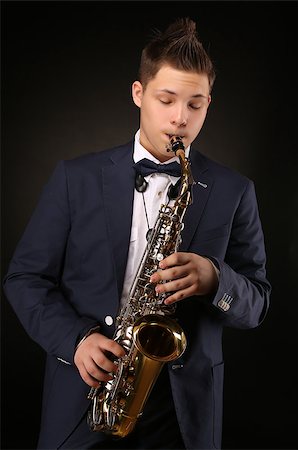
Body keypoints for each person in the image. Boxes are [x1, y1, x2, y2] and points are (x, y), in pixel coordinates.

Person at [3, 17, 271, 450]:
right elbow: (24, 280)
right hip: (85, 396)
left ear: (209, 104)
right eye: (166, 100)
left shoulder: (235, 190)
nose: (180, 118)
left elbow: (257, 304)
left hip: (181, 415)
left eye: (196, 104)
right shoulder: (76, 178)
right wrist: (76, 340)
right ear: (138, 94)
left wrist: (216, 278)